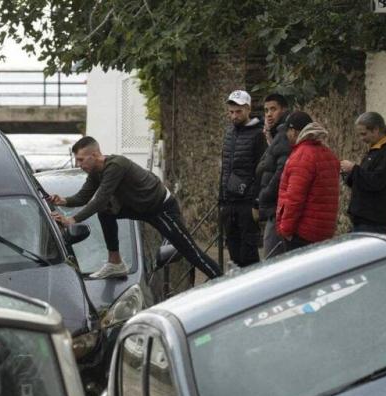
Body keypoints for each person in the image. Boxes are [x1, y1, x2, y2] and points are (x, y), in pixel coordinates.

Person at [50, 136, 222, 279]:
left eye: (81, 160)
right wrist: (63, 200)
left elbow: (100, 199)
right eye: (77, 160)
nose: (79, 164)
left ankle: (220, 280)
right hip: (140, 209)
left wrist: (72, 219)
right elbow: (83, 197)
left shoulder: (116, 165)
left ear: (94, 155)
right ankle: (115, 262)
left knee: (190, 252)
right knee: (106, 212)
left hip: (161, 209)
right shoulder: (95, 172)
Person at [276, 112, 340, 251]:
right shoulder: (327, 153)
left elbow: (294, 199)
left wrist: (285, 230)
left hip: (303, 233)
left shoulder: (301, 156)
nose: (286, 135)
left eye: (287, 131)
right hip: (324, 231)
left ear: (293, 131)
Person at [219, 90, 267, 267]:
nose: (234, 116)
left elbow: (261, 170)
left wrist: (255, 201)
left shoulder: (258, 134)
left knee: (249, 253)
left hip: (246, 203)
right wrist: (221, 199)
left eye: (238, 111)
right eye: (231, 112)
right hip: (228, 202)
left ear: (248, 109)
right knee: (232, 252)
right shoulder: (229, 133)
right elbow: (224, 168)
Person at [340, 112, 386, 234]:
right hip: (363, 219)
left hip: (373, 220)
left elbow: (376, 181)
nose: (362, 138)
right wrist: (348, 174)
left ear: (376, 130)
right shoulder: (376, 149)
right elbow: (363, 179)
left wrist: (354, 169)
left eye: (364, 134)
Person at [255, 93, 290, 258]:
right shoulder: (277, 133)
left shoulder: (284, 134)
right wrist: (269, 137)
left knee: (271, 259)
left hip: (277, 207)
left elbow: (281, 170)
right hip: (275, 206)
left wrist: (264, 195)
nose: (269, 114)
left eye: (273, 109)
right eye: (266, 110)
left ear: (284, 110)